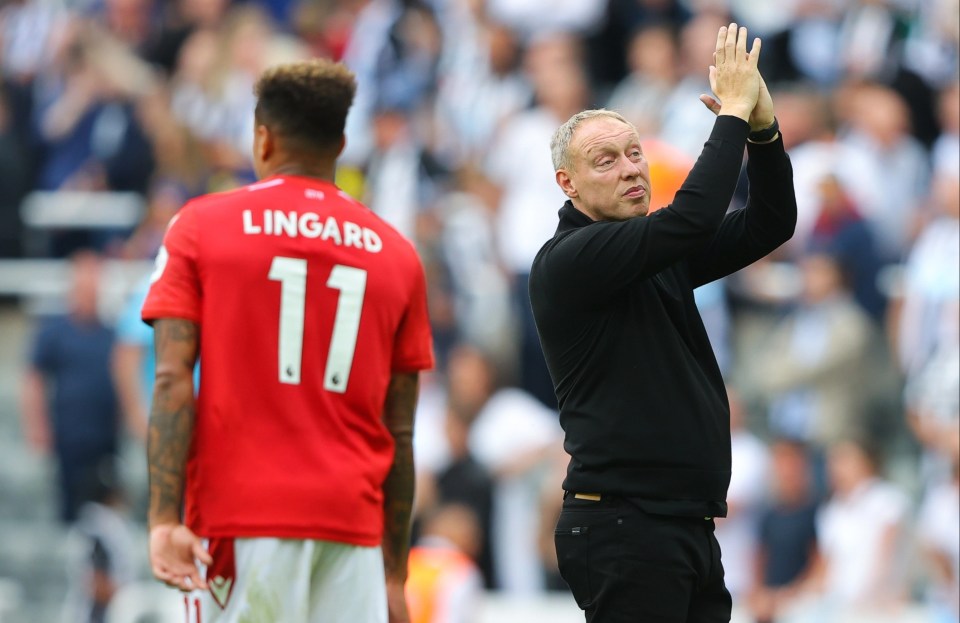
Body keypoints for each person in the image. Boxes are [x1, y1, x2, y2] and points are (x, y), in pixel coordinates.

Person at [141, 59, 434, 623]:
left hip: (239, 519)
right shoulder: (397, 255)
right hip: (353, 531)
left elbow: (173, 378)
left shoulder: (201, 227)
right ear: (342, 143)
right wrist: (393, 574)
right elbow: (400, 429)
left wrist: (162, 519)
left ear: (262, 137)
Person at [528, 23, 797, 622]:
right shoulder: (570, 260)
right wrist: (731, 114)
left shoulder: (650, 252)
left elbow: (771, 222)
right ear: (567, 184)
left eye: (633, 153)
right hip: (625, 524)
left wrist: (764, 132)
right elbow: (695, 217)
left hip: (680, 524)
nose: (630, 169)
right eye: (606, 161)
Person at [21, 249, 122, 524]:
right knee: (71, 510)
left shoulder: (111, 333)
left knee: (105, 511)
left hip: (105, 438)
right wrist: (37, 426)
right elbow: (34, 378)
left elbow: (123, 380)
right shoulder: (54, 331)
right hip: (69, 436)